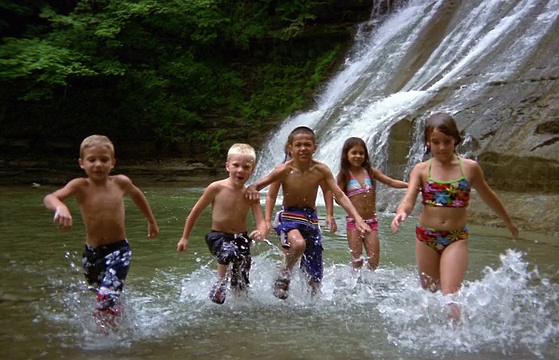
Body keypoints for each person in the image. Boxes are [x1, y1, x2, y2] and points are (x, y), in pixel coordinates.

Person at [391, 112, 519, 320]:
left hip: (455, 238)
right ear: (428, 143)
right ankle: (432, 340)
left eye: (447, 142)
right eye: (436, 142)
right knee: (429, 295)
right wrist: (401, 213)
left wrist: (508, 221)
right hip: (426, 237)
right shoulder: (422, 170)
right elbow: (409, 199)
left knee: (450, 295)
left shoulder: (469, 168)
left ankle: (457, 338)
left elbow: (489, 196)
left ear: (456, 140)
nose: (442, 147)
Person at [245, 126, 371, 300]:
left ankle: (309, 311)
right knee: (298, 244)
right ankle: (284, 274)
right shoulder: (283, 169)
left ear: (315, 147)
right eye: (298, 145)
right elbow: (264, 190)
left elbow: (339, 194)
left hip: (310, 218)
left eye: (307, 144)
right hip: (288, 216)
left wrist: (356, 218)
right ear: (290, 148)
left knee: (314, 279)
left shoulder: (321, 170)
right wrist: (265, 221)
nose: (303, 148)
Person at [43, 135, 159, 317]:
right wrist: (61, 206)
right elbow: (50, 197)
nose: (98, 165)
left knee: (105, 299)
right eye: (92, 160)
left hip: (119, 250)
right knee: (99, 294)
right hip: (92, 253)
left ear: (113, 162)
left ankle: (105, 336)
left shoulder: (121, 183)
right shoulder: (79, 186)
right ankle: (117, 316)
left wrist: (151, 221)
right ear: (82, 163)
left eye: (104, 160)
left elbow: (137, 196)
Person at [176, 143, 268, 305]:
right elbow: (194, 213)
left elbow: (261, 220)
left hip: (241, 237)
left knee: (241, 278)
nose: (240, 170)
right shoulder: (216, 188)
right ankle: (219, 283)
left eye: (246, 167)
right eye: (236, 165)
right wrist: (184, 238)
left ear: (252, 171)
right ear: (227, 166)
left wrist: (261, 231)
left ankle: (239, 306)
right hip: (218, 236)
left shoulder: (250, 194)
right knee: (229, 252)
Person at [335, 137, 408, 270]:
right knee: (357, 261)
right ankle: (355, 285)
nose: (358, 156)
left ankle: (368, 284)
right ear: (346, 155)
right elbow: (338, 196)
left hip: (371, 222)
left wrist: (411, 185)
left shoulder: (370, 172)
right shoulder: (344, 175)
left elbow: (391, 182)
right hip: (354, 222)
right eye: (354, 153)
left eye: (361, 153)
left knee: (374, 261)